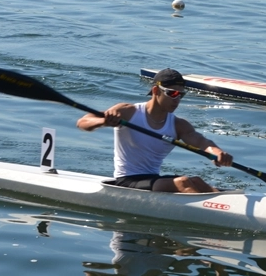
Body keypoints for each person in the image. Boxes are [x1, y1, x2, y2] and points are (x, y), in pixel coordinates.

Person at [76, 68, 231, 193]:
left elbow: (200, 141)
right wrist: (104, 121)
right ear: (156, 91)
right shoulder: (129, 112)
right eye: (172, 93)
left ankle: (224, 204)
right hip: (127, 180)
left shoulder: (179, 125)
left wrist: (217, 152)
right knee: (183, 182)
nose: (177, 99)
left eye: (181, 94)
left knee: (197, 181)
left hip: (153, 179)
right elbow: (83, 122)